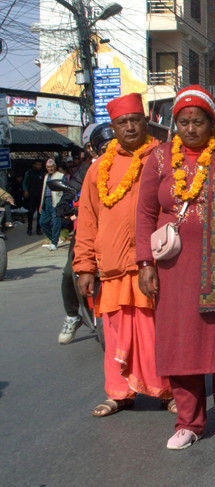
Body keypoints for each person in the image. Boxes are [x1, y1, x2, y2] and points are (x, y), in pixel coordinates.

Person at [134, 85, 215, 450]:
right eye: (184, 122)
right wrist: (145, 263)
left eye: (198, 121)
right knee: (181, 343)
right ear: (176, 125)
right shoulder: (159, 158)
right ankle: (188, 422)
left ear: (212, 123)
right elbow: (144, 215)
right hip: (175, 270)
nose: (190, 128)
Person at [75, 94, 174, 415]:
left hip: (155, 264)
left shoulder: (163, 158)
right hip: (114, 266)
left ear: (145, 122)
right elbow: (87, 220)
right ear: (113, 127)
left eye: (135, 120)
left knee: (157, 330)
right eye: (122, 122)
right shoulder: (97, 170)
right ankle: (118, 393)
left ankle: (168, 391)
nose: (130, 127)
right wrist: (85, 266)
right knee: (116, 332)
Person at [57, 123, 114, 345]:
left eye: (112, 144)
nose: (108, 150)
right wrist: (65, 208)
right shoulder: (84, 172)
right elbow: (68, 196)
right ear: (91, 149)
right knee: (67, 272)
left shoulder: (132, 164)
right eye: (101, 147)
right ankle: (73, 314)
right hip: (88, 230)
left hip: (120, 232)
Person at [38, 158, 65, 250]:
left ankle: (54, 243)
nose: (50, 168)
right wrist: (41, 204)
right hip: (46, 201)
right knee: (42, 222)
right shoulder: (46, 176)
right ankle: (54, 239)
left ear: (55, 167)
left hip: (57, 201)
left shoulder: (60, 176)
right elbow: (43, 191)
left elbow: (65, 190)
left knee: (56, 221)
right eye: (48, 167)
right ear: (46, 168)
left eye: (52, 166)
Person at [22, 159, 45, 236]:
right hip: (31, 195)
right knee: (31, 212)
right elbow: (24, 183)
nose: (39, 166)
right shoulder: (28, 173)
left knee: (40, 212)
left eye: (40, 165)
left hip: (40, 195)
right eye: (38, 164)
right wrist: (25, 190)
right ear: (34, 165)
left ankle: (38, 228)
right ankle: (29, 228)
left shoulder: (43, 173)